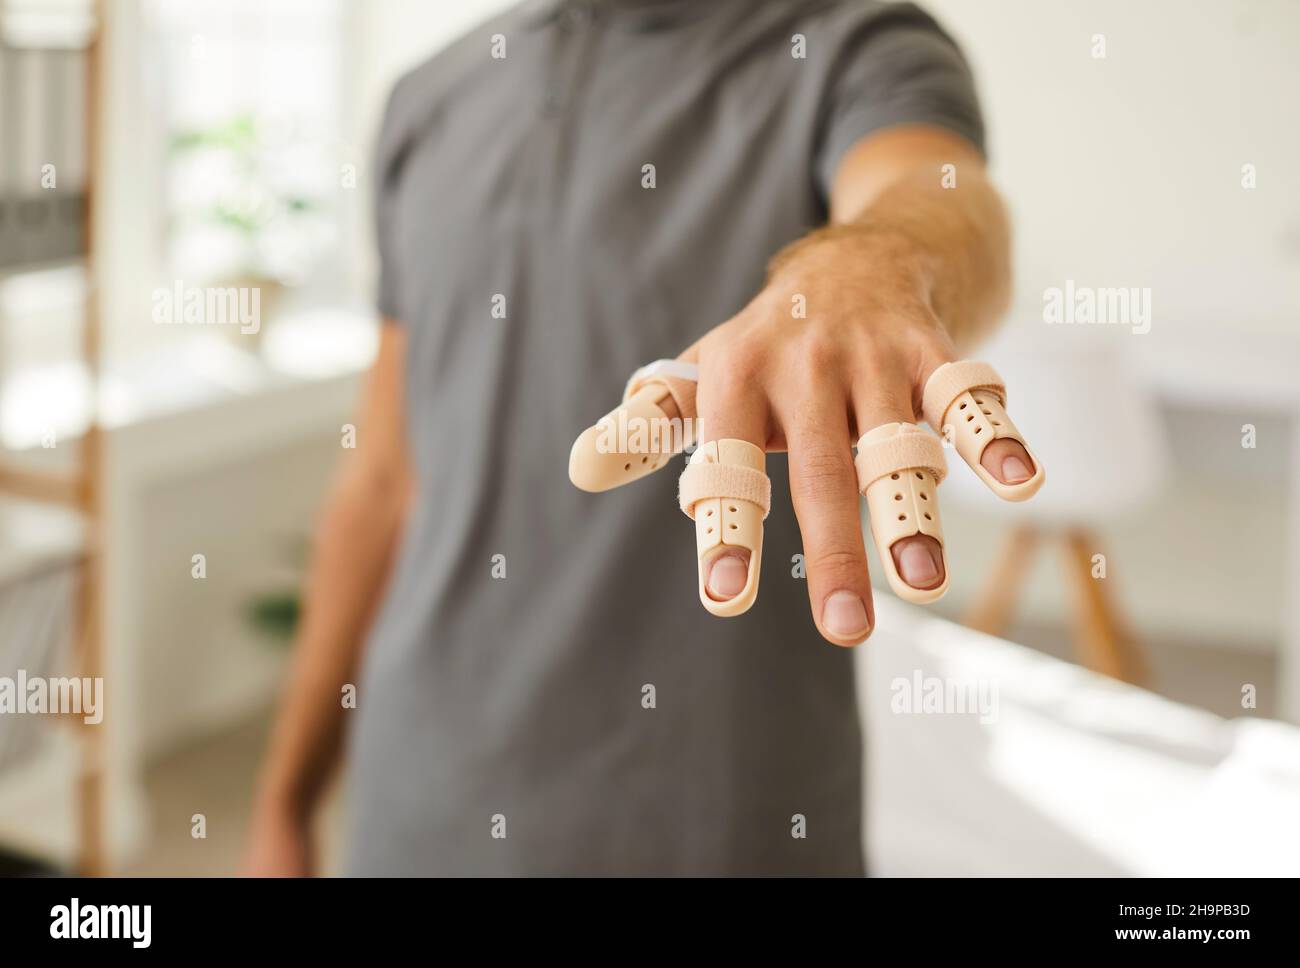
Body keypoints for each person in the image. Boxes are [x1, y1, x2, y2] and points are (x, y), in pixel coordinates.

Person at [244, 0, 1035, 876]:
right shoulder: (427, 98)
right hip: (423, 798)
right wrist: (285, 801)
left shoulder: (856, 44)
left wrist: (875, 262)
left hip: (717, 811)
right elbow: (383, 482)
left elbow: (941, 197)